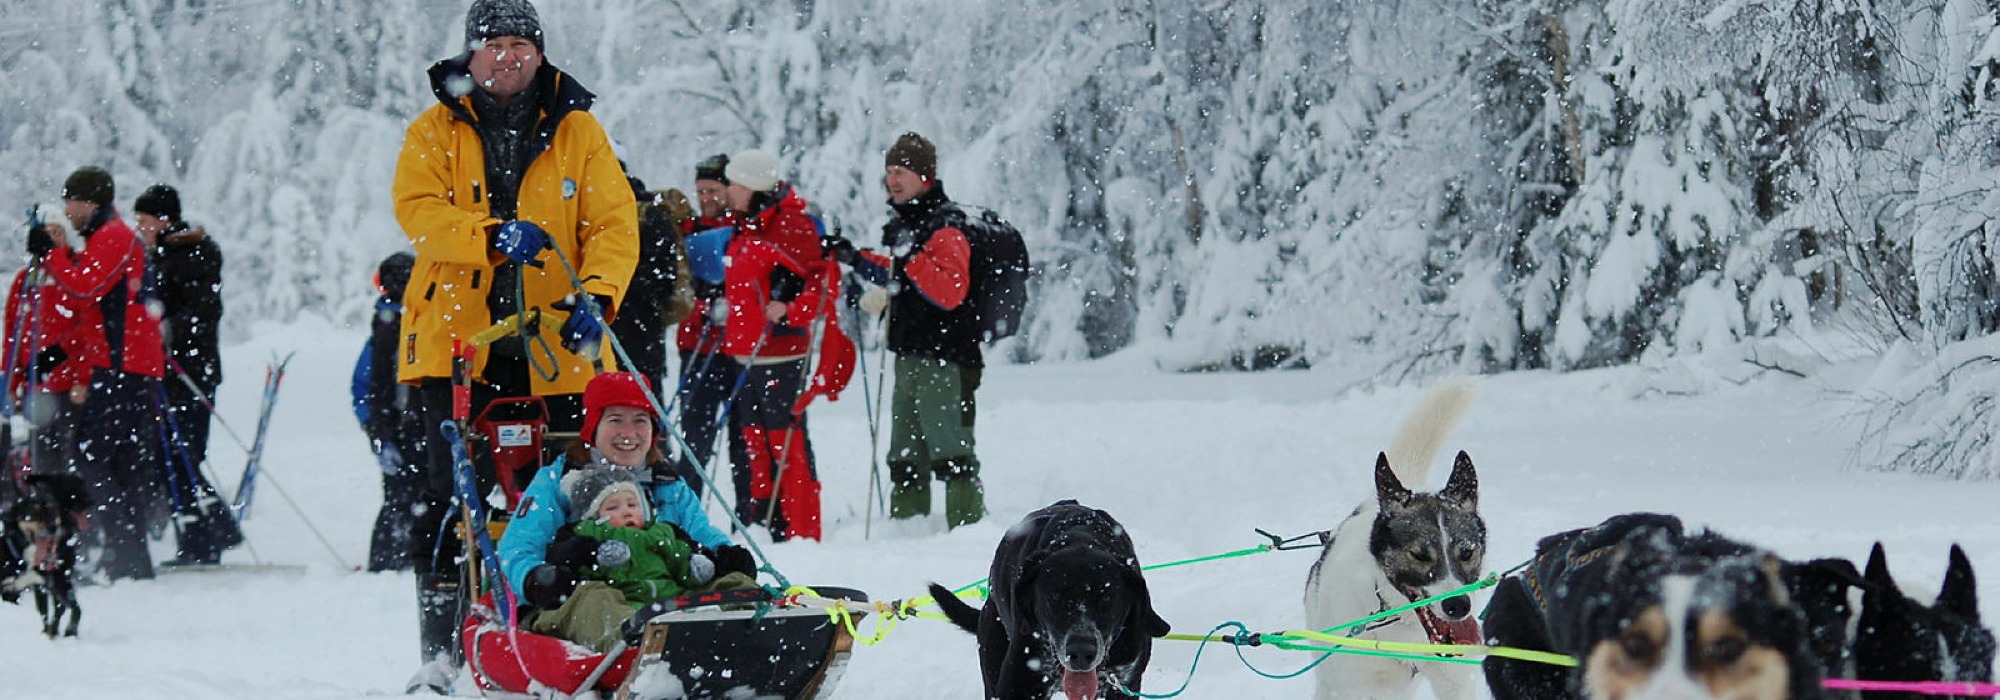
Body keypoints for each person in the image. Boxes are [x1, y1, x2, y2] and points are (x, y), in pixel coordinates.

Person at [390, 0, 637, 679]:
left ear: (540, 53)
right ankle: (440, 656)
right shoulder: (432, 130)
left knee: (578, 491)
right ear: (471, 56)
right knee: (445, 503)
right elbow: (419, 214)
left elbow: (614, 223)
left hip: (557, 344)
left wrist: (599, 294)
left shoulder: (578, 129)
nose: (508, 55)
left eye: (520, 44)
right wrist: (488, 238)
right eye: (494, 43)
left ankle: (576, 631)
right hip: (456, 348)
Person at [497, 371, 756, 643]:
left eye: (640, 421)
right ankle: (639, 647)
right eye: (616, 420)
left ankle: (752, 636)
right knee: (596, 599)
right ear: (594, 427)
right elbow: (519, 547)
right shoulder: (556, 481)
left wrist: (724, 554)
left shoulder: (667, 484)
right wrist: (538, 578)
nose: (629, 434)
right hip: (583, 601)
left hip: (666, 598)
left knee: (733, 587)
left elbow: (698, 531)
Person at [838, 133, 987, 529]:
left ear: (925, 176)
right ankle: (907, 530)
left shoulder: (947, 225)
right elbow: (897, 273)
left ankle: (968, 530)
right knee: (904, 454)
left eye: (900, 172)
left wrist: (908, 258)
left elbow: (949, 293)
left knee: (951, 451)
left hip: (946, 359)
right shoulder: (910, 224)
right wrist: (854, 258)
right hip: (909, 353)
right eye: (888, 172)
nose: (892, 180)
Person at [34, 165, 168, 581]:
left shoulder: (113, 236)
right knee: (121, 462)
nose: (67, 211)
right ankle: (130, 562)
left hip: (123, 368)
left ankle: (123, 554)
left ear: (89, 202)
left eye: (70, 201)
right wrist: (63, 352)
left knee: (91, 457)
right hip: (119, 365)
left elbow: (85, 287)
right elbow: (93, 307)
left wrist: (51, 255)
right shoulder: (106, 237)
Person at [717, 150, 836, 542]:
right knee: (753, 443)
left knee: (786, 443)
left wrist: (789, 311)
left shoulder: (790, 226)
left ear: (751, 185)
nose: (727, 191)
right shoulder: (745, 226)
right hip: (744, 354)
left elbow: (822, 285)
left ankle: (802, 529)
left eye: (733, 183)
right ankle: (766, 525)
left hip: (781, 354)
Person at [516, 466, 755, 652]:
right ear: (594, 515)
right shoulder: (586, 533)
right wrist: (591, 552)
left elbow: (681, 556)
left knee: (730, 580)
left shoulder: (662, 531)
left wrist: (696, 564)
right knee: (594, 598)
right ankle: (631, 642)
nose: (626, 511)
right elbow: (561, 555)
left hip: (671, 601)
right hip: (624, 604)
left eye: (632, 504)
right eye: (613, 507)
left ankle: (749, 613)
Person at [131, 184, 242, 566]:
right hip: (170, 371)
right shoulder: (161, 255)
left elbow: (202, 311)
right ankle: (210, 532)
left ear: (163, 220)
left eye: (144, 221)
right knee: (174, 456)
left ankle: (207, 535)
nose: (141, 228)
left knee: (183, 454)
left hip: (192, 371)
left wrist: (165, 332)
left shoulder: (192, 253)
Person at [672, 154, 746, 506]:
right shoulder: (687, 229)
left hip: (737, 349)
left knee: (743, 440)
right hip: (696, 347)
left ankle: (749, 513)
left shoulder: (743, 229)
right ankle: (690, 509)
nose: (706, 199)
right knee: (694, 440)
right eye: (701, 191)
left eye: (713, 191)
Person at [350, 252, 424, 572]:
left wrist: (374, 428)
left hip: (394, 426)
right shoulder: (405, 325)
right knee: (413, 496)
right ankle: (401, 560)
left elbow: (364, 386)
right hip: (410, 425)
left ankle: (389, 560)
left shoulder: (386, 325)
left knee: (399, 496)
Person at [604, 171, 689, 400]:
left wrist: (615, 285)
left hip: (635, 331)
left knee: (636, 401)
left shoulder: (646, 216)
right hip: (639, 333)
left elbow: (661, 280)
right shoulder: (643, 215)